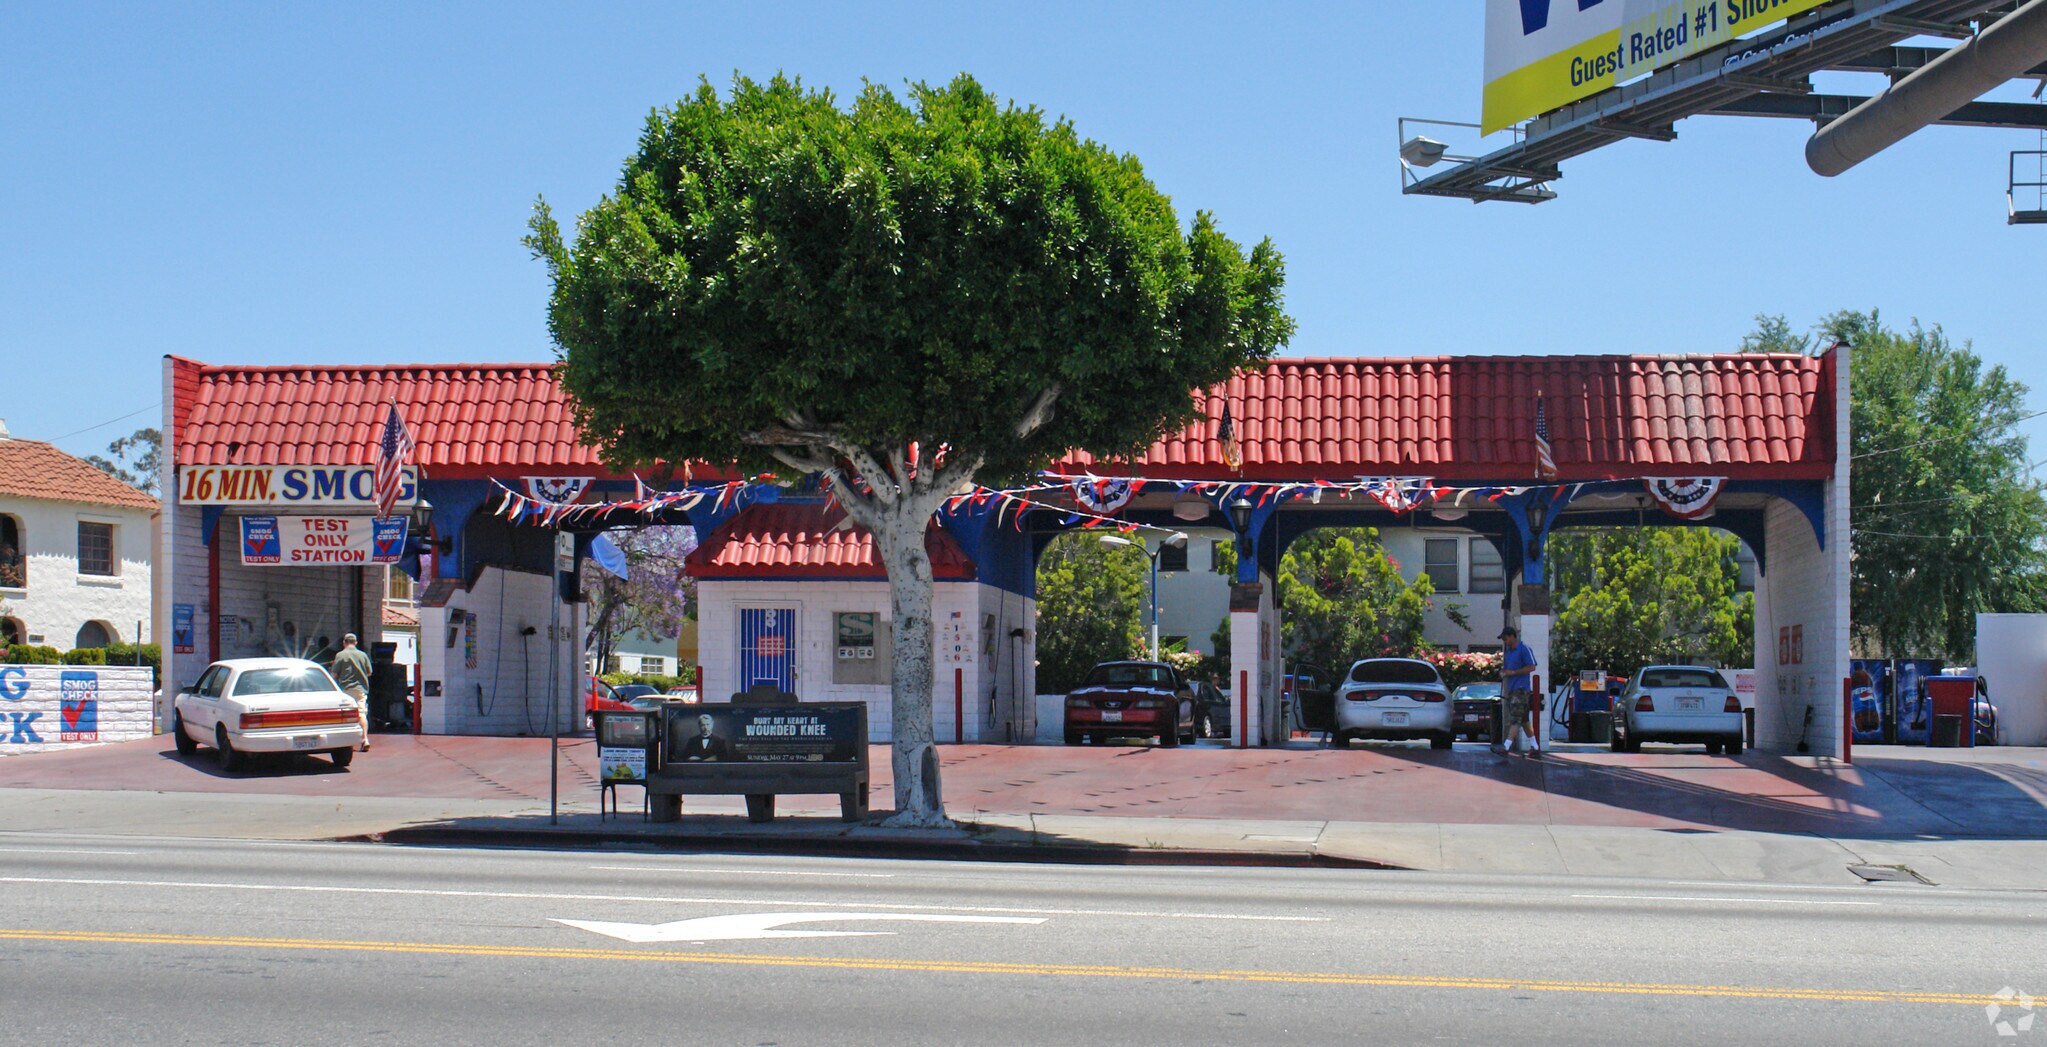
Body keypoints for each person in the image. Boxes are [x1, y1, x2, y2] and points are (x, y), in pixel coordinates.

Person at [1497, 625, 1539, 755]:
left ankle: (1506, 746)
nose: (1505, 641)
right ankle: (1535, 747)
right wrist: (1504, 673)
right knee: (1524, 720)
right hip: (1512, 689)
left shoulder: (1524, 649)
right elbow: (1507, 670)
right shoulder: (1509, 653)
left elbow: (1532, 667)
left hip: (1521, 689)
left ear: (1512, 636)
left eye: (1506, 638)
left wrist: (1513, 672)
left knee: (1515, 718)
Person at [330, 632, 374, 753]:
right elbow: (369, 673)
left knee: (345, 716)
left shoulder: (340, 655)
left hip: (345, 690)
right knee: (361, 714)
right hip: (360, 690)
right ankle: (365, 739)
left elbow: (333, 675)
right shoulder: (363, 655)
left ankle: (345, 742)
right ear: (355, 642)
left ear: (344, 643)